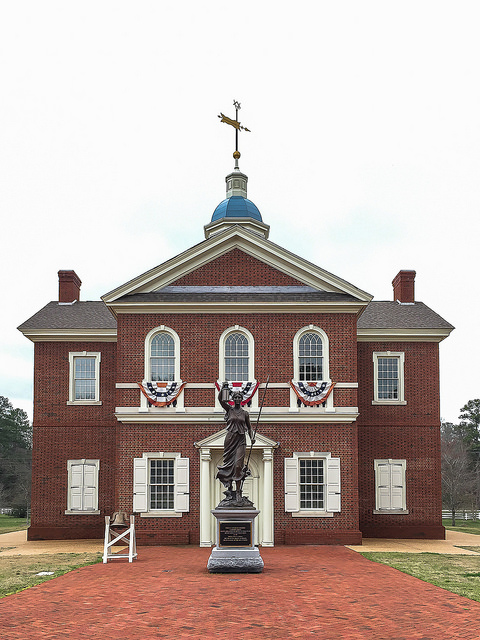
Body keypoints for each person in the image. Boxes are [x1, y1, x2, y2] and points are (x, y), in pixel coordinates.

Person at [216, 385, 255, 504]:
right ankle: (229, 490)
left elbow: (249, 428)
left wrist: (252, 437)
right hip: (230, 439)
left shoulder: (245, 413)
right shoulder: (229, 410)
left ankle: (238, 492)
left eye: (239, 397)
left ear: (242, 399)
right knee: (228, 465)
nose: (238, 399)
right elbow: (220, 400)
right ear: (233, 399)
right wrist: (223, 389)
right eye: (236, 397)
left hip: (241, 439)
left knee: (238, 465)